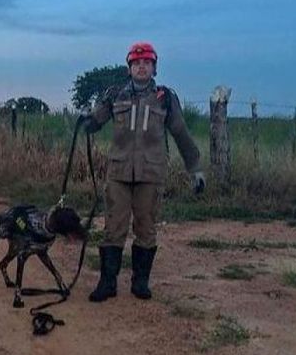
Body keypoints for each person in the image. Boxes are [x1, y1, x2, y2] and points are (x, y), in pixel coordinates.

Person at [83, 42, 205, 302]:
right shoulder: (115, 95)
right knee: (113, 228)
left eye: (146, 63)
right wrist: (86, 122)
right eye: (136, 63)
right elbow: (96, 120)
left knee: (146, 228)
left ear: (154, 68)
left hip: (151, 173)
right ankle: (107, 283)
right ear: (129, 68)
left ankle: (140, 282)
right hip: (118, 173)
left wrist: (195, 169)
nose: (141, 67)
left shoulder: (165, 98)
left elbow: (181, 134)